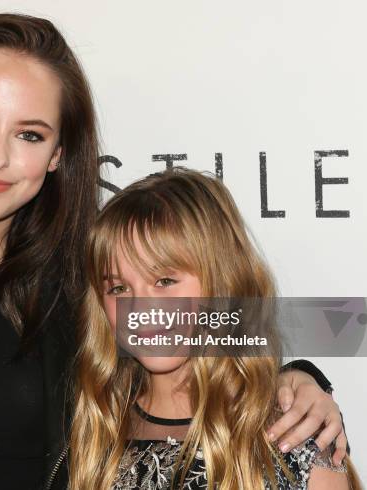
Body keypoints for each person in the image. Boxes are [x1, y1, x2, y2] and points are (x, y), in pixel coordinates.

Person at [0, 14, 347, 490]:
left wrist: (302, 376)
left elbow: (226, 320)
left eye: (29, 134)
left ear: (58, 154)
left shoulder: (87, 275)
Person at [69, 167, 361, 489]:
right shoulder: (94, 430)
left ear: (221, 284)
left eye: (165, 281)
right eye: (119, 289)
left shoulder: (294, 440)